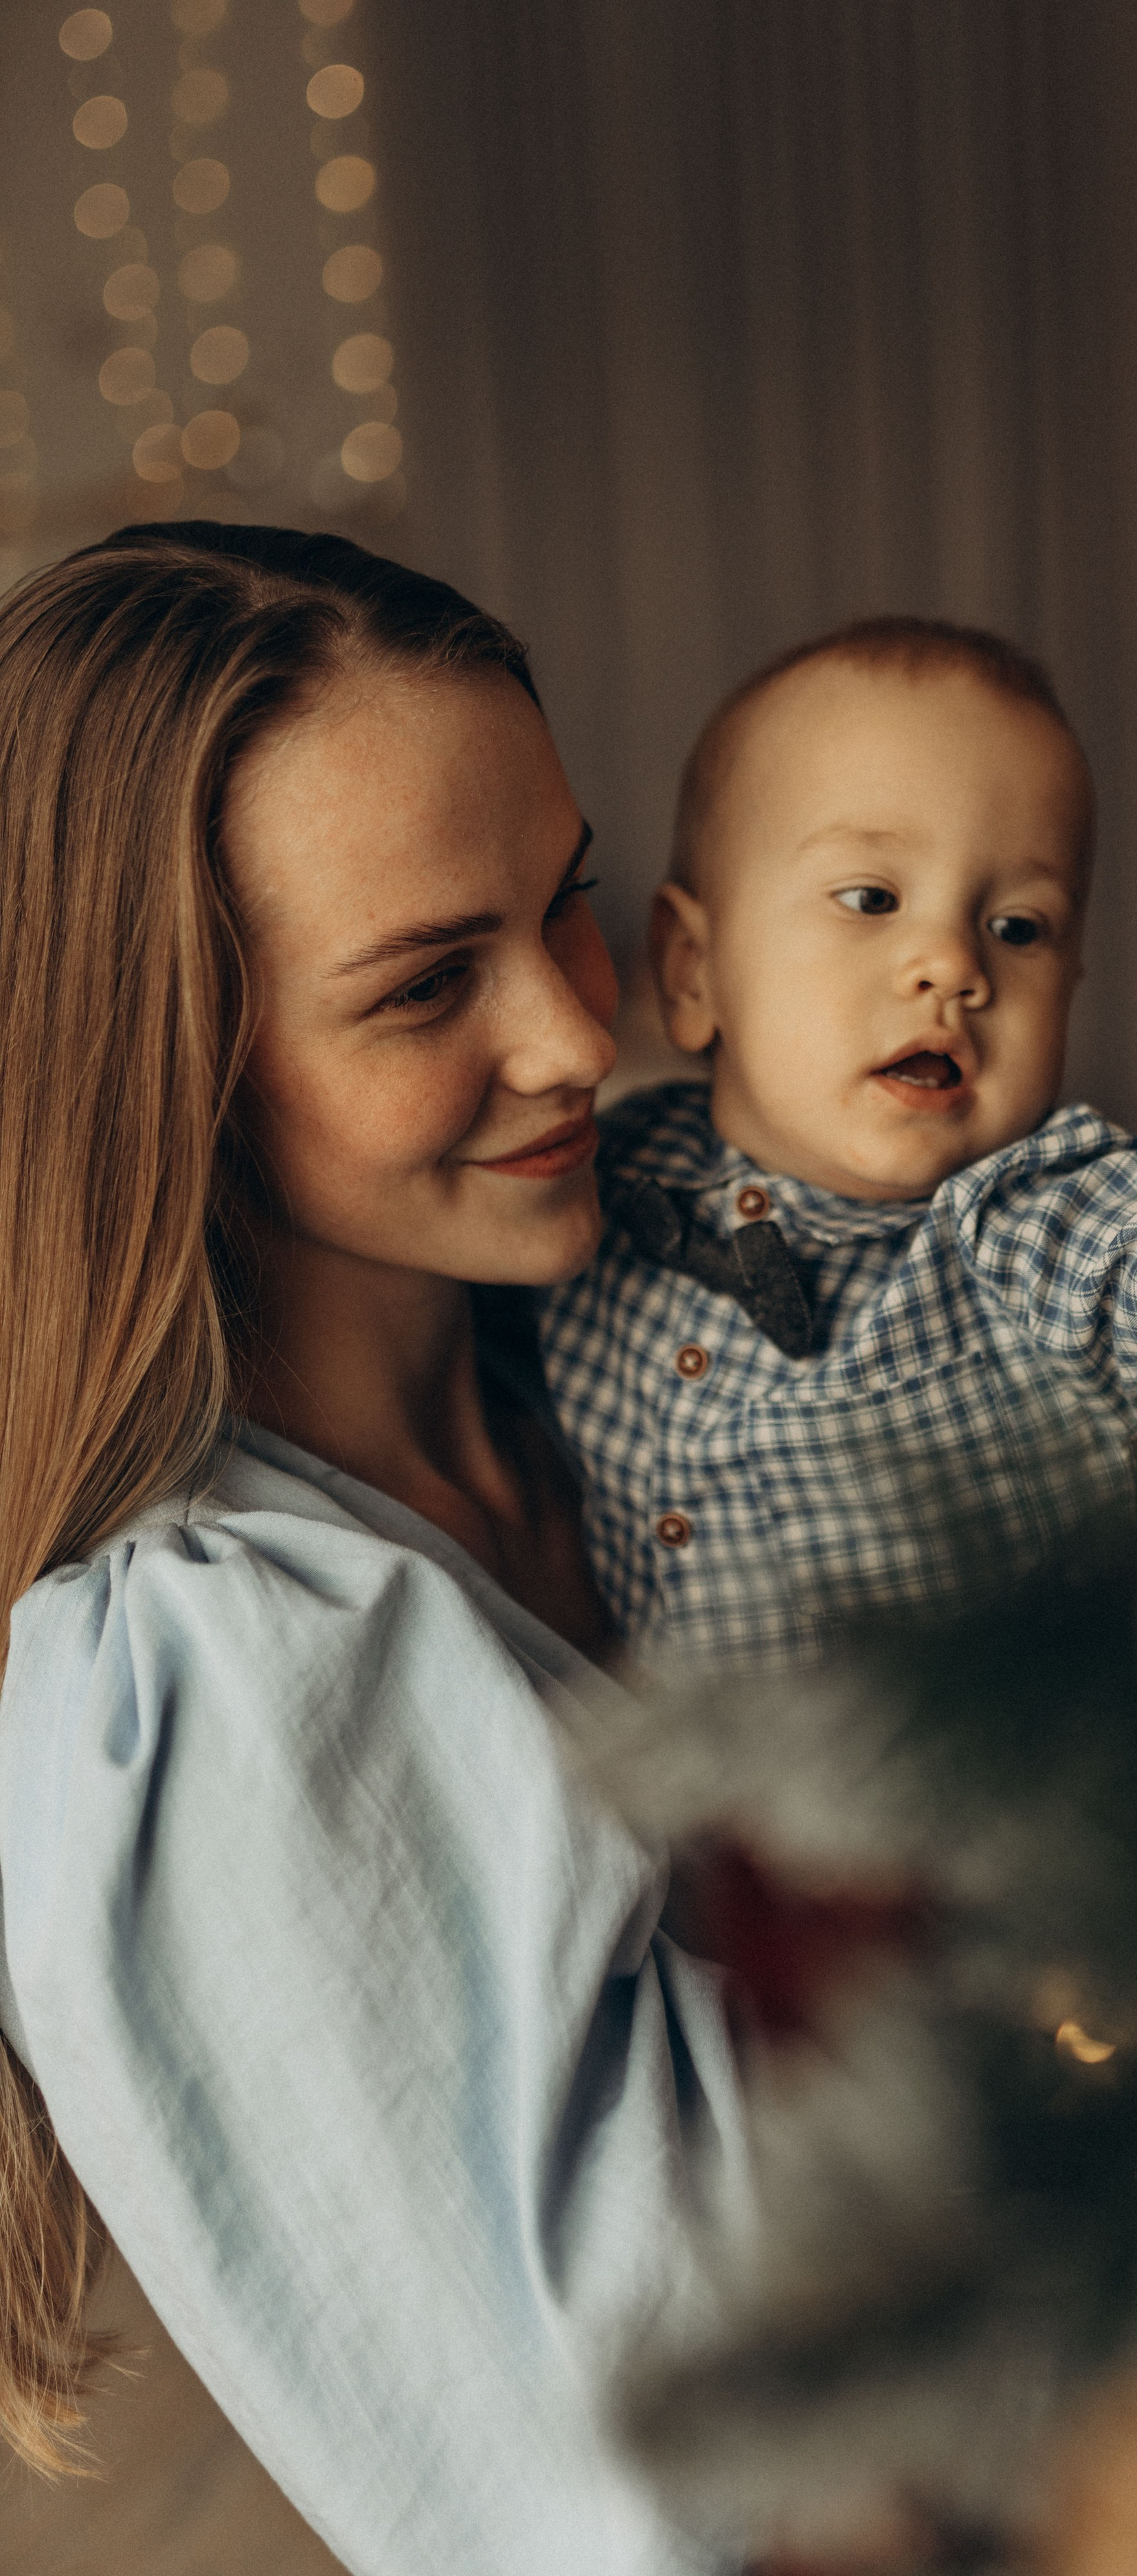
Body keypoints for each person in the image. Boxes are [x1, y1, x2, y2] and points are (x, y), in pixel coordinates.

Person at [0, 523, 745, 2576]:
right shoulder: (213, 1678)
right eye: (429, 984)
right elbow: (645, 2489)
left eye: (564, 906)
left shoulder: (630, 1374)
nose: (580, 1037)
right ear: (172, 1071)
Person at [541, 622, 1137, 1672]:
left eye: (1021, 928)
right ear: (693, 973)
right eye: (871, 899)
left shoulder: (1037, 1223)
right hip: (684, 1810)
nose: (951, 962)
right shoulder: (601, 1187)